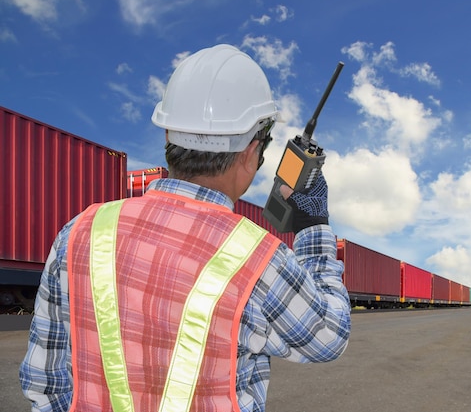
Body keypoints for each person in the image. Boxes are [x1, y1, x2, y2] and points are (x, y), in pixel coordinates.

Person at [20, 44, 351, 412]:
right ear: (249, 152)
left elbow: (46, 385)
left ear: (167, 138)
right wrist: (313, 226)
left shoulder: (81, 232)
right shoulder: (259, 260)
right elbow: (329, 336)